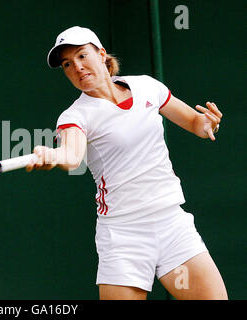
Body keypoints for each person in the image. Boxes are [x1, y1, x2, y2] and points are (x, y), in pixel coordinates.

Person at [26, 26, 228, 300]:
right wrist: (53, 156)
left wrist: (206, 124)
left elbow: (194, 121)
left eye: (83, 56)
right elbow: (71, 155)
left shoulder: (147, 87)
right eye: (67, 64)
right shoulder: (75, 116)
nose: (77, 67)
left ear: (101, 54)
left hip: (172, 222)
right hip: (123, 235)